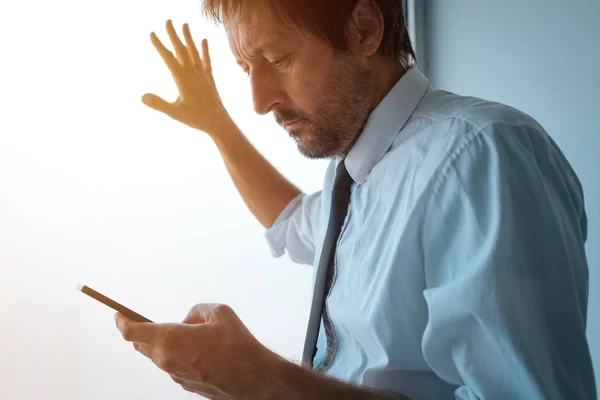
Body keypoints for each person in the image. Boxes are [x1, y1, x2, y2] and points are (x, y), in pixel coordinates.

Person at [114, 0, 597, 399]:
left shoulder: (481, 155)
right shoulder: (359, 171)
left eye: (277, 60)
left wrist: (263, 380)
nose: (259, 101)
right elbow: (296, 224)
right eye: (246, 69)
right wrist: (216, 123)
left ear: (364, 29)